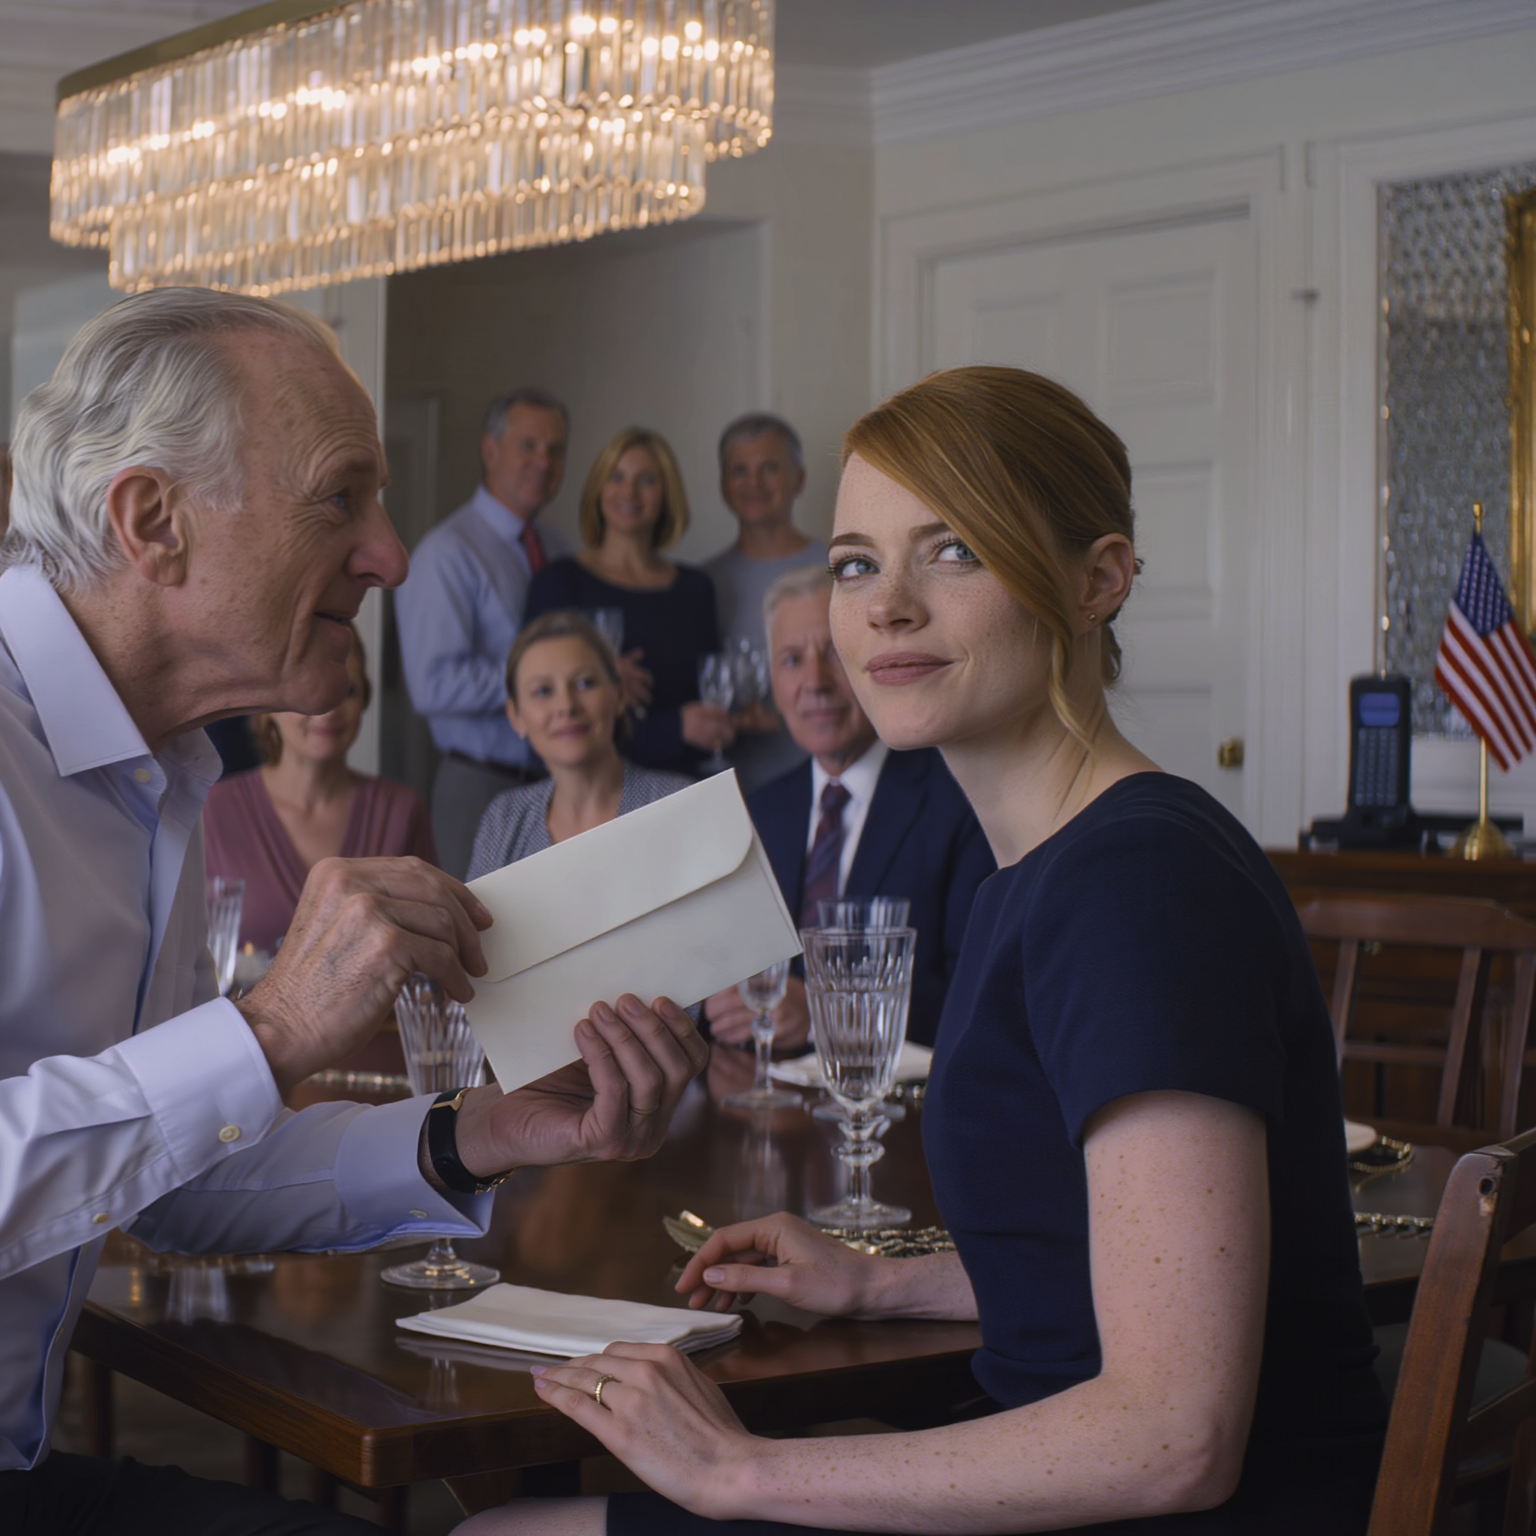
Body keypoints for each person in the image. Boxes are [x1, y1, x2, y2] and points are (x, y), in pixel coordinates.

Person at [464, 367, 1387, 1536]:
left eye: (953, 550)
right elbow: (1108, 1265)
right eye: (857, 562)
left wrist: (735, 1471)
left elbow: (1174, 1436)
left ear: (1100, 580)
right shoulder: (1042, 871)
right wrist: (882, 1282)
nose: (886, 606)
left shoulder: (1137, 886)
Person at [0, 288, 708, 1536]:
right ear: (152, 520)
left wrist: (480, 1132)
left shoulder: (158, 776)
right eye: (343, 496)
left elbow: (166, 1174)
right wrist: (271, 1028)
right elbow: (193, 1104)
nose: (390, 551)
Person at [702, 566, 993, 1051]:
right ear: (773, 682)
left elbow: (978, 994)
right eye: (791, 660)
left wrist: (821, 1012)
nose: (815, 682)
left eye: (834, 652)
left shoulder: (961, 802)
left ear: (876, 662)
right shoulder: (757, 813)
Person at [395, 387, 570, 877]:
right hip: (481, 781)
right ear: (489, 450)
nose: (544, 461)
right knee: (482, 941)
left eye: (556, 450)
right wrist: (540, 683)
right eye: (529, 445)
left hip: (558, 781)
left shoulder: (555, 550)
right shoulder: (446, 553)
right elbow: (432, 686)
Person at [204, 625, 437, 953]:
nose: (328, 710)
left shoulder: (402, 809)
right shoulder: (212, 809)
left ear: (365, 701)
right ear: (269, 705)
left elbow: (430, 943)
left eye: (348, 691)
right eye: (306, 691)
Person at [523, 427, 731, 778]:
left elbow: (707, 698)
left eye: (646, 479)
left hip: (682, 789)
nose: (629, 492)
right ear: (598, 488)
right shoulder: (558, 584)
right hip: (590, 792)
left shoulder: (696, 589)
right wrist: (597, 675)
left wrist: (739, 716)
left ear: (667, 493)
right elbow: (540, 710)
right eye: (616, 477)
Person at [467, 611, 691, 878]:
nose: (567, 706)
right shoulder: (504, 820)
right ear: (516, 717)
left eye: (585, 683)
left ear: (619, 696)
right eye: (543, 691)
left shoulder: (683, 803)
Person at [704, 414, 829, 793]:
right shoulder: (701, 583)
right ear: (724, 485)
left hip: (824, 783)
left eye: (769, 468)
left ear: (799, 479)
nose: (754, 483)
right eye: (739, 470)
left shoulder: (839, 566)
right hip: (729, 792)